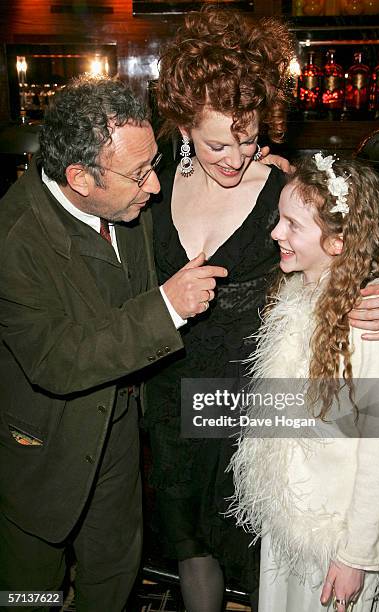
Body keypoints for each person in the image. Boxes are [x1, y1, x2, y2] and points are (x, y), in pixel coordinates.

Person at [145, 8, 379, 612]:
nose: (237, 155)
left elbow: (343, 247)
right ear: (184, 123)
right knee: (192, 550)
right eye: (219, 142)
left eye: (248, 135)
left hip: (254, 403)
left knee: (268, 557)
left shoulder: (279, 187)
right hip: (170, 396)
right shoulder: (150, 179)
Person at [0, 75, 228, 612]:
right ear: (79, 177)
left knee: (113, 579)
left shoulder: (122, 200)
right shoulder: (13, 240)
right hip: (41, 452)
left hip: (121, 439)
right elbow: (59, 359)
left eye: (156, 164)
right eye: (140, 173)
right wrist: (168, 307)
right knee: (28, 593)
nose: (154, 186)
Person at [230, 155, 379, 611]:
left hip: (336, 534)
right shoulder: (299, 288)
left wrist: (356, 555)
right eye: (278, 219)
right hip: (292, 517)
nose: (277, 233)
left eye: (292, 225)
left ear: (338, 243)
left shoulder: (363, 318)